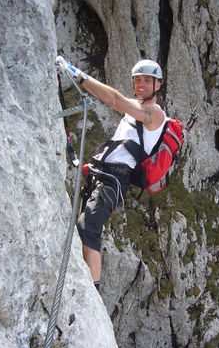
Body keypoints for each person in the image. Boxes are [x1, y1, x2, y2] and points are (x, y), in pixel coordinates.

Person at [56, 56, 167, 291]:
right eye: (137, 80)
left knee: (88, 228)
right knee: (79, 227)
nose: (141, 85)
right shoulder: (136, 111)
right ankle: (81, 282)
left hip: (115, 178)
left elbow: (114, 99)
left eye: (147, 81)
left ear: (158, 85)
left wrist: (76, 73)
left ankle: (92, 292)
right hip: (102, 173)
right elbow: (112, 105)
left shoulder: (155, 114)